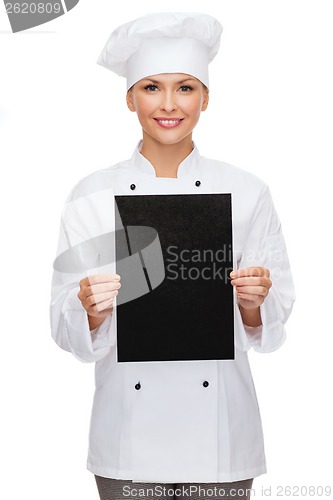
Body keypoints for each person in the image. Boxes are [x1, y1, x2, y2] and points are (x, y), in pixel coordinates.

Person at [50, 12, 295, 500]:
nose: (168, 104)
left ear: (206, 97)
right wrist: (89, 311)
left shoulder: (246, 192)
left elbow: (274, 323)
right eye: (150, 88)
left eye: (185, 88)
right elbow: (64, 329)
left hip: (220, 437)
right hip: (128, 440)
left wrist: (253, 302)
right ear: (128, 98)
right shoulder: (92, 194)